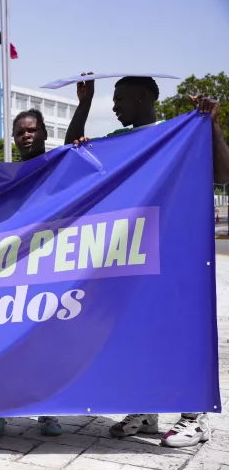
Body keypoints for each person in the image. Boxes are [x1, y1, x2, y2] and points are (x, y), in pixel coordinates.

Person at [64, 73, 229, 447]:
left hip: (178, 253)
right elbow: (70, 152)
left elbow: (223, 173)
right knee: (138, 330)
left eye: (119, 99)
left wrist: (213, 125)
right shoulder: (119, 143)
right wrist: (84, 105)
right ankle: (146, 409)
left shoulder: (180, 133)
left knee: (184, 329)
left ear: (143, 98)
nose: (114, 106)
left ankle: (194, 416)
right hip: (135, 256)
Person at [0, 109, 63, 439]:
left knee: (44, 343)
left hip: (49, 267)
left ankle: (48, 411)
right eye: (20, 132)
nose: (26, 135)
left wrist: (83, 109)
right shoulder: (7, 175)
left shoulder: (62, 164)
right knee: (2, 343)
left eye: (32, 130)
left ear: (43, 133)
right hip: (11, 270)